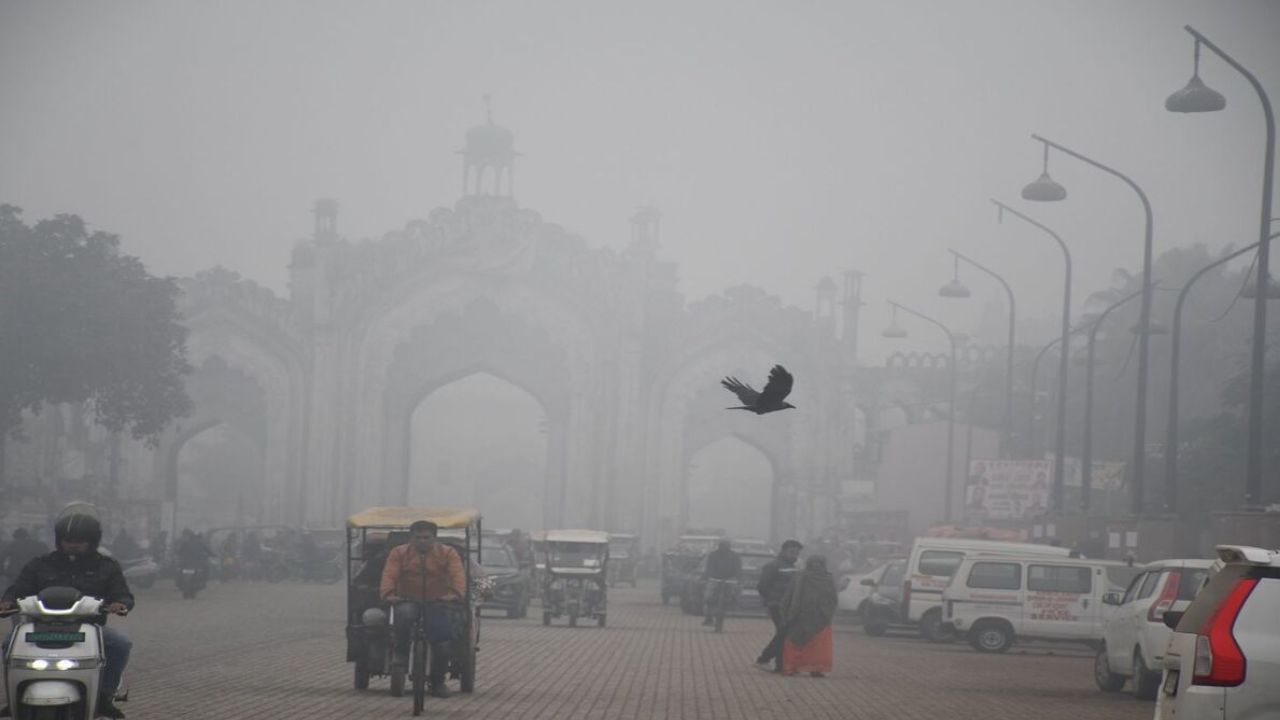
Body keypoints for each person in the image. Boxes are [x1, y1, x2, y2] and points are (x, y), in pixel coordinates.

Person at [0, 511, 133, 719]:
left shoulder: (107, 566)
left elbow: (122, 594)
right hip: (39, 627)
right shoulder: (40, 563)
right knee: (9, 642)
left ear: (92, 541)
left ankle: (104, 696)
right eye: (67, 540)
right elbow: (19, 589)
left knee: (121, 643)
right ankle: (14, 696)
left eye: (79, 541)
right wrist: (7, 601)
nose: (72, 544)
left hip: (89, 628)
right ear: (59, 540)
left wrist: (119, 604)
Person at [379, 520, 465, 699]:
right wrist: (388, 594)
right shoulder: (399, 553)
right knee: (402, 618)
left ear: (435, 538)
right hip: (407, 600)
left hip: (437, 601)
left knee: (442, 643)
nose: (422, 541)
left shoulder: (448, 553)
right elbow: (389, 574)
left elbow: (457, 575)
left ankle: (438, 681)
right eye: (418, 537)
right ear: (411, 538)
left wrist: (455, 594)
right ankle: (401, 652)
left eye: (426, 537)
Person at [780, 555, 838, 677]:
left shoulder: (828, 578)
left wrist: (827, 612)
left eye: (819, 563)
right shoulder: (801, 577)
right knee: (795, 641)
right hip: (801, 614)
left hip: (821, 617)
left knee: (819, 645)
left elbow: (833, 597)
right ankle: (791, 667)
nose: (817, 565)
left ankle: (816, 668)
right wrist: (789, 611)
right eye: (814, 563)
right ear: (809, 564)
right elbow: (792, 595)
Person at [755, 539, 803, 672]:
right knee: (784, 633)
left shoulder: (794, 567)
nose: (794, 555)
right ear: (783, 551)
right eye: (792, 552)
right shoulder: (773, 566)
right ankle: (763, 659)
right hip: (777, 605)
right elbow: (762, 586)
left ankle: (780, 664)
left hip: (789, 606)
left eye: (797, 553)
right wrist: (771, 600)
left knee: (785, 633)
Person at [701, 539, 742, 626]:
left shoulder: (734, 556)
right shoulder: (713, 555)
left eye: (726, 546)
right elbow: (709, 567)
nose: (724, 548)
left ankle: (734, 603)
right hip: (715, 579)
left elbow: (738, 568)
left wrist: (738, 578)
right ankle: (708, 617)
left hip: (729, 580)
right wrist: (707, 576)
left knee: (734, 593)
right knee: (708, 597)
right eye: (723, 546)